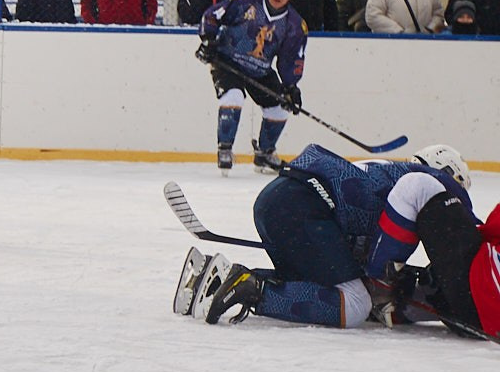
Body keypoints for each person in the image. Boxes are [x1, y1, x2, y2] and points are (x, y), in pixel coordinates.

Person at [178, 145, 493, 339]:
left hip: (281, 198)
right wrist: (381, 274)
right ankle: (252, 290)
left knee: (314, 287)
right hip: (305, 207)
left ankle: (215, 279)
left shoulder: (389, 170)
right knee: (355, 304)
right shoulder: (437, 184)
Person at [198, 0, 306, 173]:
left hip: (260, 70)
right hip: (228, 61)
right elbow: (212, 15)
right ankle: (225, 149)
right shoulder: (245, 0)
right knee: (233, 97)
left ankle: (265, 153)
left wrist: (291, 86)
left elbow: (292, 57)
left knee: (280, 107)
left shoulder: (294, 24)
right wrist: (209, 40)